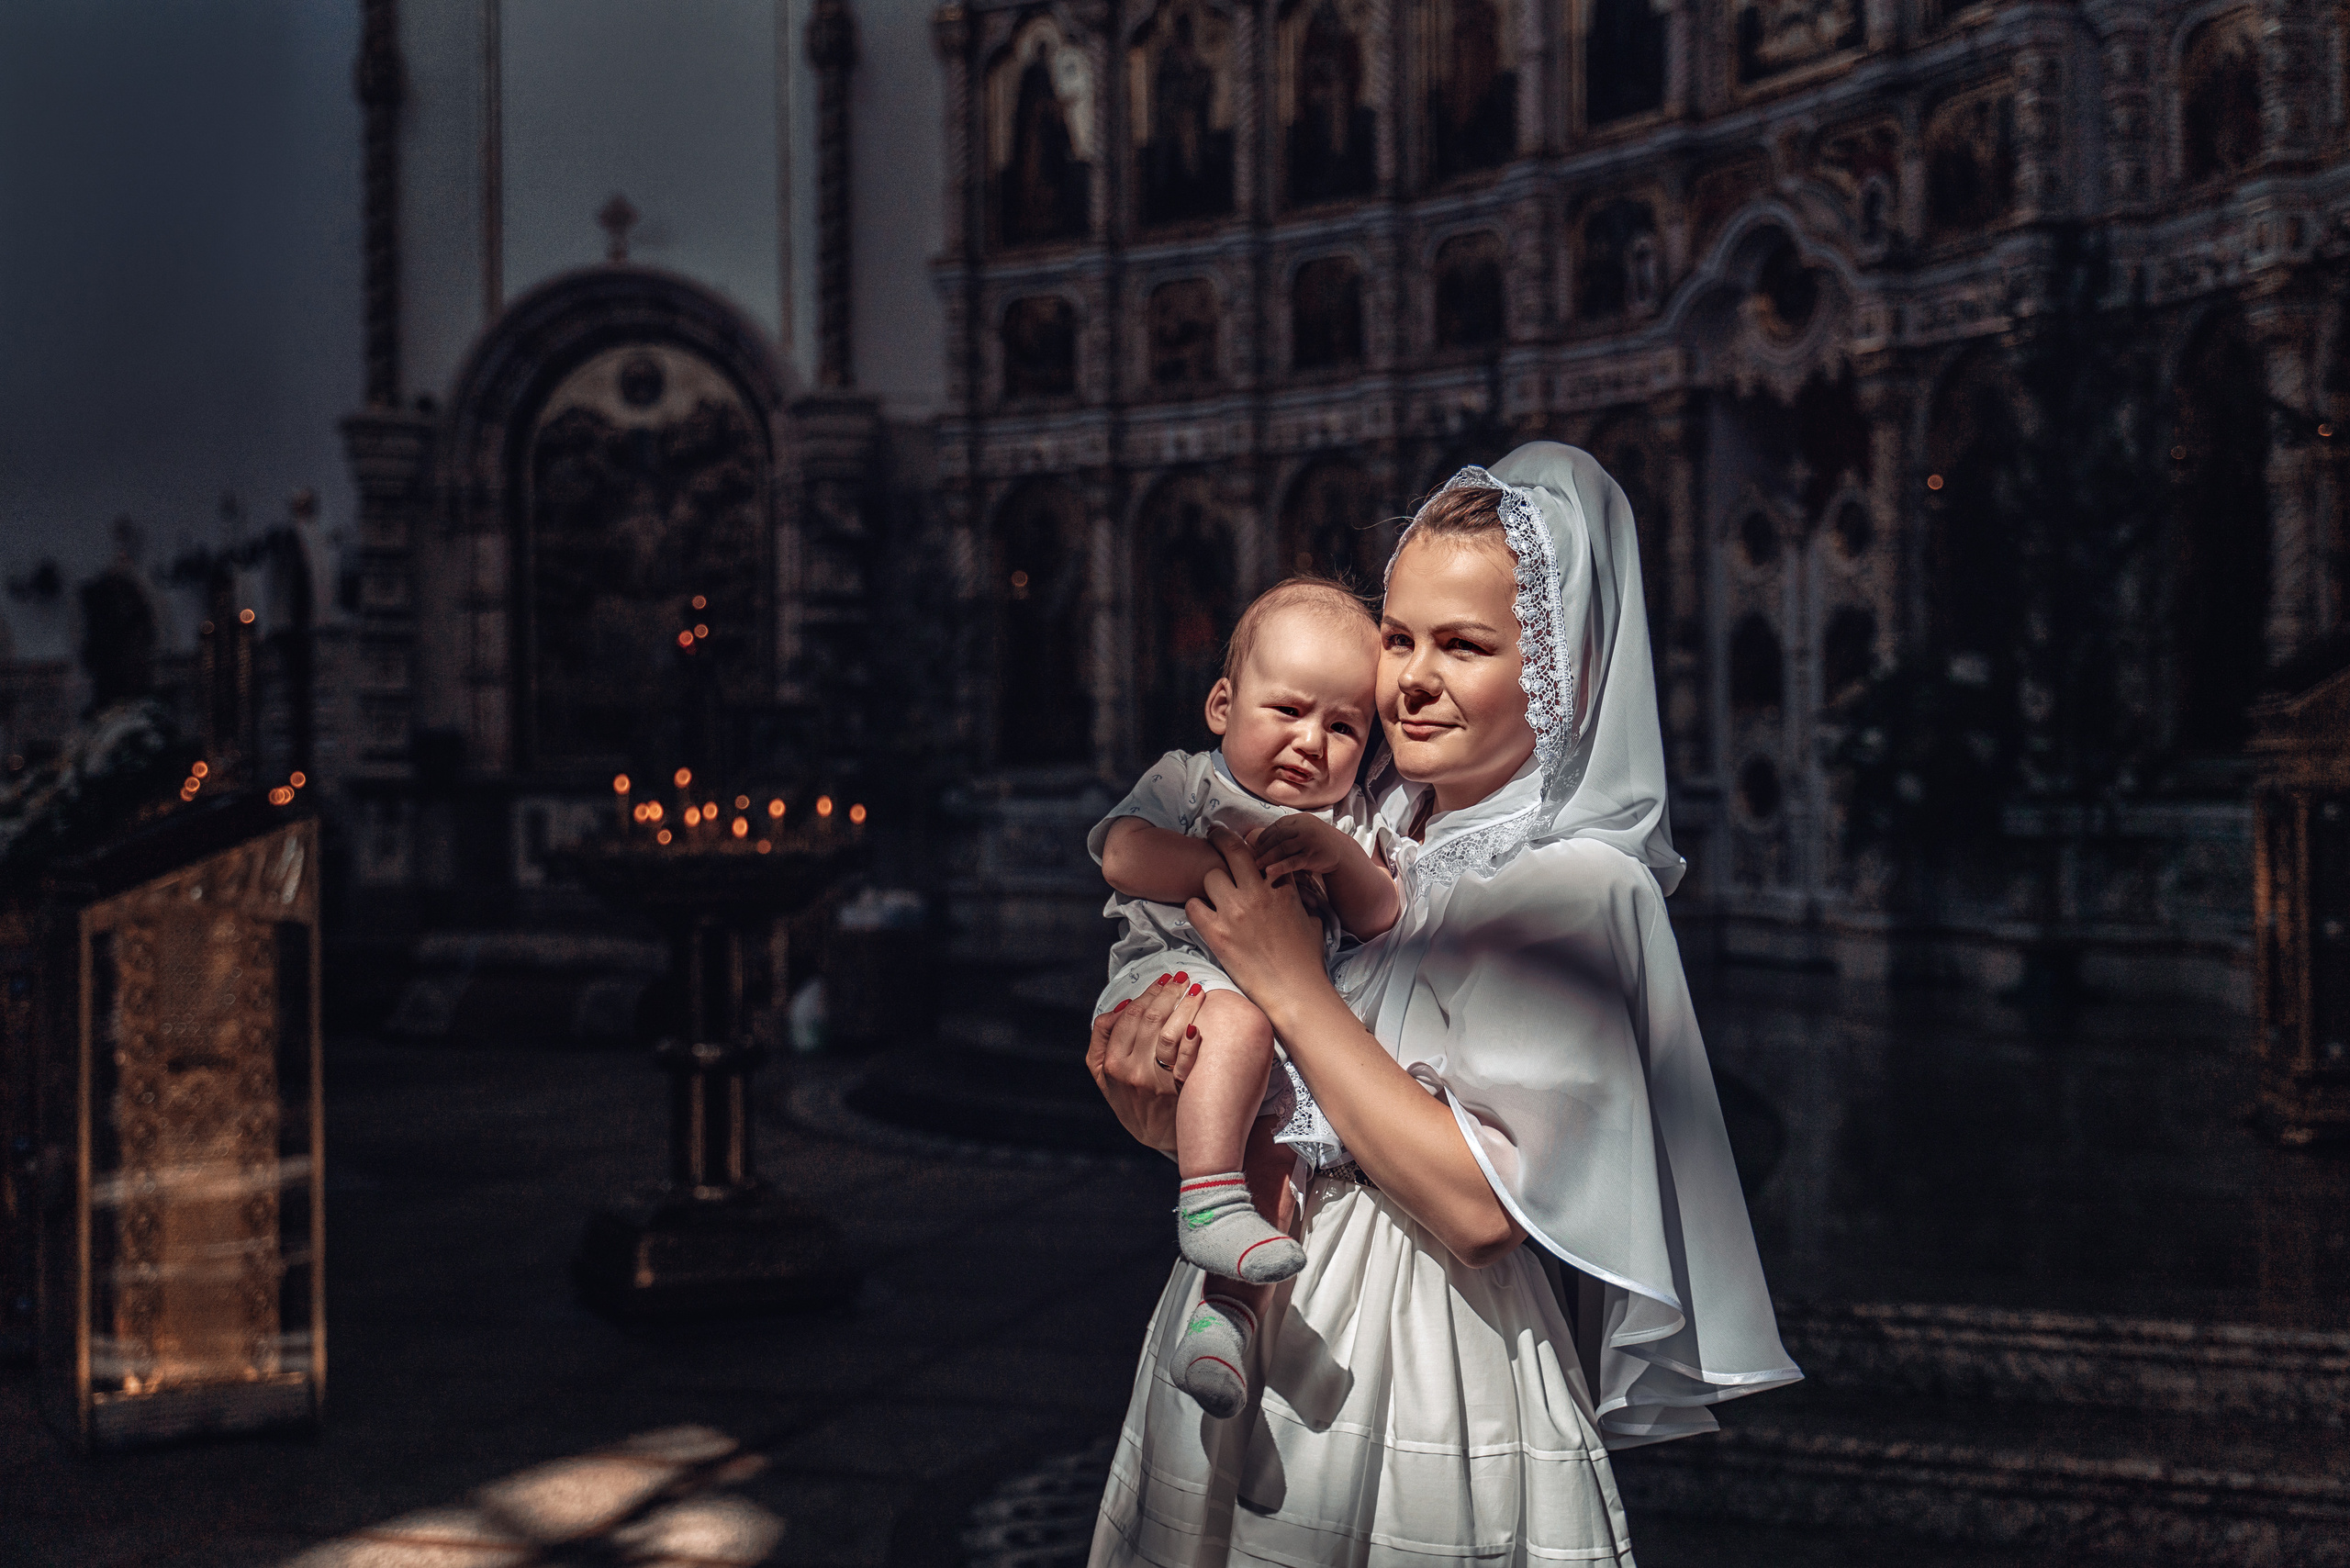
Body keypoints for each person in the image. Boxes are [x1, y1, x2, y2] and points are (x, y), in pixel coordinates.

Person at [1084, 444, 1801, 1567]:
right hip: (1235, 1314)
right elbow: (1284, 1096)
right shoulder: (1362, 822)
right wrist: (1151, 1080)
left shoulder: (1572, 889)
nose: (1411, 679)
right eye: (1399, 638)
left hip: (1414, 1348)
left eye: (1463, 645)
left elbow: (1476, 1210)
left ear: (1563, 671)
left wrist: (1289, 984)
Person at [1091, 577, 1400, 1418]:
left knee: (1280, 1171)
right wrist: (1228, 869)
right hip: (1178, 987)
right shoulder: (1189, 782)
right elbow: (1121, 855)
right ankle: (1205, 1202)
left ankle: (1221, 1323)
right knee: (1235, 1024)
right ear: (1223, 706)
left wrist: (1341, 860)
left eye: (1344, 727)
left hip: (1278, 1050)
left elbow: (1382, 913)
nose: (1311, 742)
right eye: (1288, 710)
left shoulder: (1343, 825)